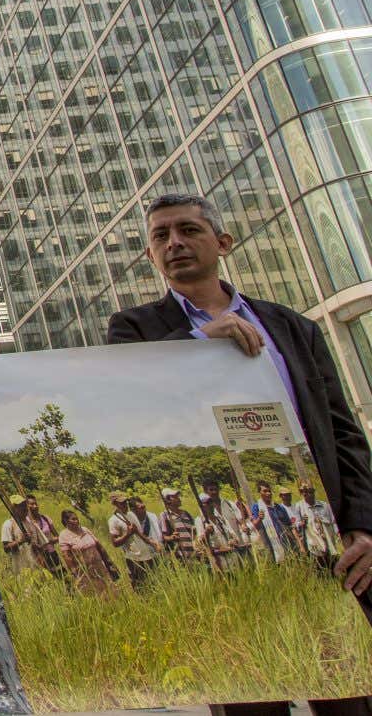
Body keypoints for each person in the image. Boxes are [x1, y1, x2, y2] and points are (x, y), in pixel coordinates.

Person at [106, 194, 372, 605]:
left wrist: (363, 525)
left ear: (224, 242)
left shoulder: (294, 327)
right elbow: (129, 399)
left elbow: (341, 432)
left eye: (188, 230)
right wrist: (198, 342)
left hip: (329, 536)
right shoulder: (131, 329)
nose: (173, 242)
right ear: (151, 255)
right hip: (228, 536)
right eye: (161, 236)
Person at [56, 510, 117, 595]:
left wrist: (109, 561)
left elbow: (99, 546)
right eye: (73, 519)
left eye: (77, 518)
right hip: (84, 572)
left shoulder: (85, 530)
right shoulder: (64, 535)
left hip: (99, 567)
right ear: (66, 521)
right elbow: (67, 557)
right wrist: (75, 573)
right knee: (95, 595)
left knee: (111, 591)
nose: (76, 521)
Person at [107, 491, 160, 588]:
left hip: (146, 554)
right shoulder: (113, 520)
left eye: (125, 502)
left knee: (153, 582)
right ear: (115, 504)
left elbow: (139, 533)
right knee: (139, 585)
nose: (124, 505)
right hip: (133, 558)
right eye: (121, 503)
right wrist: (128, 534)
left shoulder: (131, 514)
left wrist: (151, 542)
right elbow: (115, 543)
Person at [0, 495, 57, 575]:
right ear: (14, 508)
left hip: (37, 568)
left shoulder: (31, 523)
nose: (24, 508)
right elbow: (6, 548)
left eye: (24, 505)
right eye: (20, 506)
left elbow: (38, 546)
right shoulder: (8, 524)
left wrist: (37, 547)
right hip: (21, 570)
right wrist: (20, 541)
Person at [202, 479, 254, 563]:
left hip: (240, 544)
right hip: (223, 549)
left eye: (216, 489)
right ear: (205, 491)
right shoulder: (206, 511)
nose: (214, 492)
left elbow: (241, 521)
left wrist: (244, 527)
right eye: (211, 490)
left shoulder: (229, 504)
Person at [251, 481, 301, 563]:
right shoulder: (257, 507)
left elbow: (290, 526)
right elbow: (255, 526)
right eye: (265, 491)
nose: (268, 493)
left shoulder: (278, 507)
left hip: (285, 543)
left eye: (269, 491)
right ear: (259, 492)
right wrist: (260, 518)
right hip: (270, 545)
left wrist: (298, 543)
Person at [298, 482, 344, 570]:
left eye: (310, 491)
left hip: (328, 540)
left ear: (314, 492)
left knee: (333, 563)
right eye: (305, 492)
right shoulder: (299, 507)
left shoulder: (324, 505)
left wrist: (338, 534)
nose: (308, 494)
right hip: (314, 543)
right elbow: (297, 525)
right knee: (319, 566)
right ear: (302, 493)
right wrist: (302, 522)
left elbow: (333, 521)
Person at [196, 494, 244, 572]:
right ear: (202, 506)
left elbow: (233, 534)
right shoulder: (200, 521)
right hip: (218, 562)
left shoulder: (220, 519)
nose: (210, 505)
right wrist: (207, 532)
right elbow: (200, 542)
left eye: (211, 502)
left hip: (232, 559)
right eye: (207, 503)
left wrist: (234, 540)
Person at [159, 489, 200, 564]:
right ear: (168, 500)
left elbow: (194, 532)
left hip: (192, 553)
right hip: (179, 555)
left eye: (177, 496)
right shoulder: (165, 515)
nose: (178, 499)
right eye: (175, 497)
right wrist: (172, 537)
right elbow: (164, 536)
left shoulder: (186, 513)